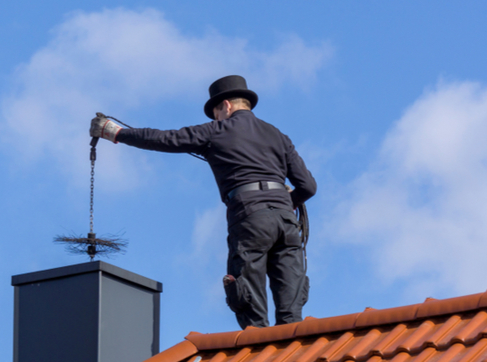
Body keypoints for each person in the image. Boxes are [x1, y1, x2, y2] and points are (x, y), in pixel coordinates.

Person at [90, 75, 317, 329]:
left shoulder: (216, 131)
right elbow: (309, 186)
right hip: (286, 223)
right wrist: (289, 201)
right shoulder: (279, 136)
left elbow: (164, 139)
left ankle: (261, 359)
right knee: (291, 314)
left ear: (226, 106)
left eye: (216, 113)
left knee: (252, 310)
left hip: (251, 218)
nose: (215, 119)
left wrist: (115, 132)